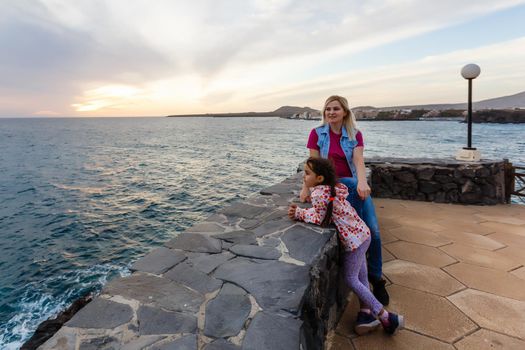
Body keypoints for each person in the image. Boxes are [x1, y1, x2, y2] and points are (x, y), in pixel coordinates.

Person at [289, 157, 403, 335]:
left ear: (319, 178)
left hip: (355, 242)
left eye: (307, 173)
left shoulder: (319, 194)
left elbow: (319, 218)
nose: (304, 176)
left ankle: (386, 317)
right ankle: (366, 314)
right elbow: (324, 212)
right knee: (362, 278)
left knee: (351, 278)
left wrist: (299, 213)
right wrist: (304, 211)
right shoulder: (330, 189)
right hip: (363, 235)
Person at [300, 95, 389, 306]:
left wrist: (362, 182)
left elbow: (358, 160)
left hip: (350, 186)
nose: (331, 112)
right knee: (355, 228)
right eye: (328, 109)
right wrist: (305, 188)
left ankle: (376, 279)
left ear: (345, 112)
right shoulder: (317, 133)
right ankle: (365, 288)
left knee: (372, 231)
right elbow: (312, 164)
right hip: (328, 190)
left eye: (336, 109)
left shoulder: (355, 135)